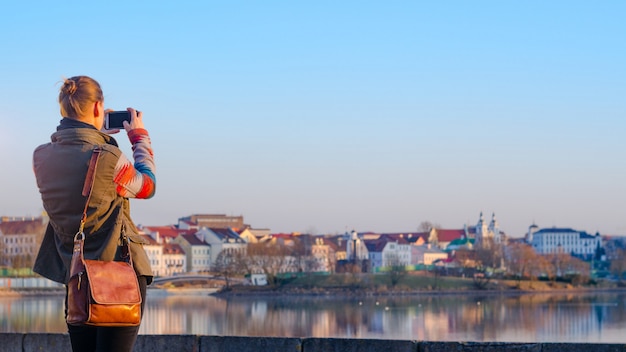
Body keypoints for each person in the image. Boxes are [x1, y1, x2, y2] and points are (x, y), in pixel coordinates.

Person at [32, 75, 156, 352]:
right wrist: (139, 138)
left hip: (76, 278)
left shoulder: (40, 157)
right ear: (98, 108)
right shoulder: (109, 158)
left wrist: (95, 134)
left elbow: (76, 169)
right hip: (118, 276)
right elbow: (147, 186)